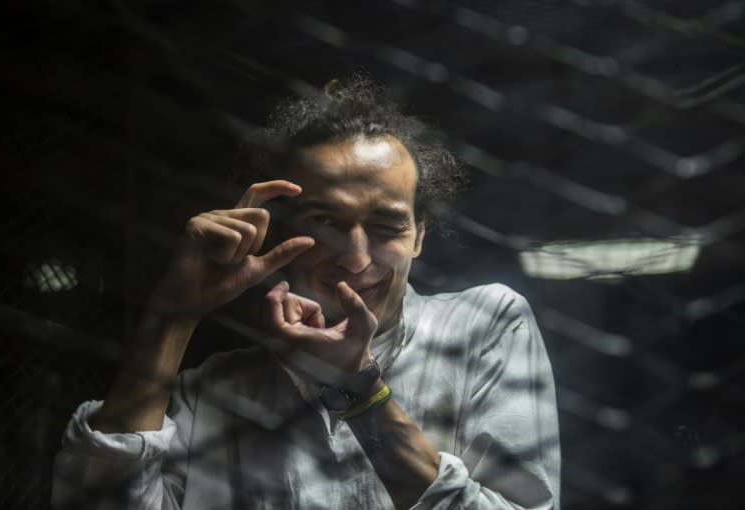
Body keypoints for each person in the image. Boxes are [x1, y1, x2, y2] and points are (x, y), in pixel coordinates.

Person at [52, 75, 560, 509]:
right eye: (325, 222)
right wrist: (171, 318)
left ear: (419, 236)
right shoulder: (210, 395)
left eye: (386, 226)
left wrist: (357, 388)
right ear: (276, 230)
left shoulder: (485, 324)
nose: (356, 259)